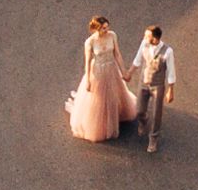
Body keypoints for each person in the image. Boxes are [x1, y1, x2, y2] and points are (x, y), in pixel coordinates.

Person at [67, 13, 133, 145]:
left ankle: (114, 117)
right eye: (103, 28)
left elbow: (117, 54)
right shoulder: (90, 42)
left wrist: (123, 71)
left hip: (111, 69)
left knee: (113, 96)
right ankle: (101, 123)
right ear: (96, 29)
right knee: (99, 99)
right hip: (97, 72)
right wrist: (88, 80)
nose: (106, 30)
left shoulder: (112, 35)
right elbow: (87, 61)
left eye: (107, 27)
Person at [130, 21, 177, 155]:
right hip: (144, 83)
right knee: (139, 110)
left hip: (158, 86)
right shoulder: (144, 45)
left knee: (157, 113)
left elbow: (171, 72)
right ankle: (143, 121)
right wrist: (129, 73)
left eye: (147, 36)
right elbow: (138, 60)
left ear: (155, 39)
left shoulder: (167, 51)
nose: (144, 38)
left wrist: (170, 90)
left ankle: (153, 138)